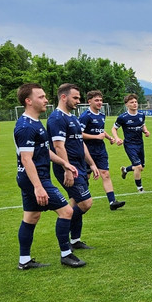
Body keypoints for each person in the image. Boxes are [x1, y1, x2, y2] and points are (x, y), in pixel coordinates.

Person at [12, 82, 85, 270]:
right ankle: (66, 254)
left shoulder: (35, 123)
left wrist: (64, 163)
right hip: (35, 178)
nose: (46, 100)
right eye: (41, 97)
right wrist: (38, 186)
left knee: (31, 217)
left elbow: (44, 152)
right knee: (67, 211)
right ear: (28, 101)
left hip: (34, 177)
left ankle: (24, 260)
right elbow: (27, 159)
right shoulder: (26, 126)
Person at [48, 83, 100, 252]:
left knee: (76, 202)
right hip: (68, 168)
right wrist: (67, 169)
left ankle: (75, 240)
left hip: (80, 166)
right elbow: (58, 146)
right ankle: (64, 235)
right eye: (75, 98)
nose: (78, 101)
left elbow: (80, 142)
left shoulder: (72, 117)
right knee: (85, 203)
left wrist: (91, 163)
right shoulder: (57, 118)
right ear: (64, 97)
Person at [79, 90, 125, 210]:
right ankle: (82, 199)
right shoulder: (85, 116)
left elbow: (100, 130)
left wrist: (108, 137)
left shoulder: (101, 115)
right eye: (96, 100)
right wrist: (96, 137)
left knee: (105, 174)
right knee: (86, 176)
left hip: (100, 150)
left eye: (101, 100)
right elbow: (78, 134)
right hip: (87, 151)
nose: (100, 103)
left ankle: (112, 202)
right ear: (89, 101)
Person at [112, 94, 150, 193]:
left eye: (135, 102)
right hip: (129, 145)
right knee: (138, 166)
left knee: (141, 167)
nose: (134, 104)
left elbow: (142, 125)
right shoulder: (123, 117)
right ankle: (140, 189)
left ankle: (125, 170)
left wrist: (145, 131)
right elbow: (114, 128)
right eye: (132, 102)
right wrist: (117, 138)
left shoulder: (141, 115)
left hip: (140, 144)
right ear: (127, 105)